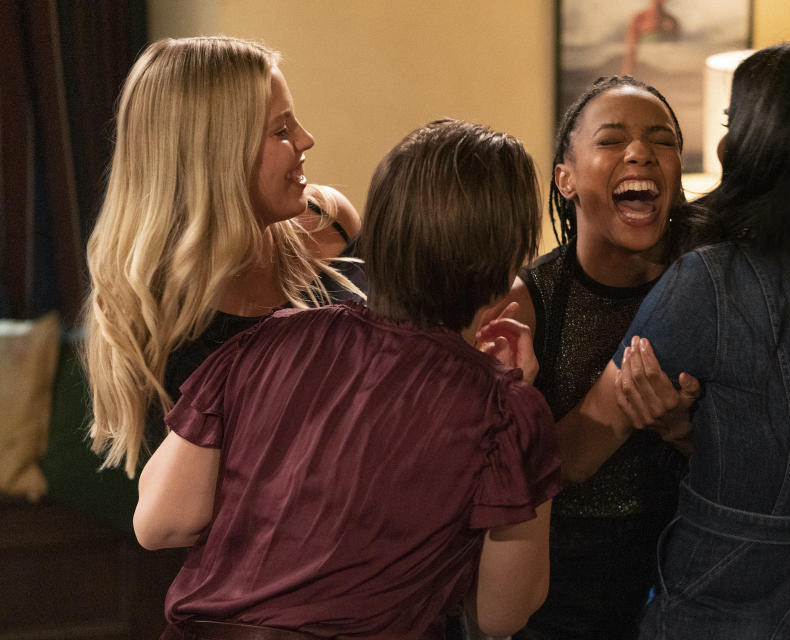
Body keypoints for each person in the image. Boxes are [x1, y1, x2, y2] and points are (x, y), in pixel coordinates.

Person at [133, 119, 563, 639]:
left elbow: (158, 522)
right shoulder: (506, 412)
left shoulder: (266, 341)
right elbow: (501, 615)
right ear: (505, 262)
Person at [576, 40, 790, 638]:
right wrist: (684, 431)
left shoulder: (713, 282)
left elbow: (576, 451)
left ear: (763, 141)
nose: (722, 142)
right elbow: (775, 473)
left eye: (730, 123)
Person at [83, 36, 362, 479]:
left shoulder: (328, 223)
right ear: (217, 156)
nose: (307, 139)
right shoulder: (156, 321)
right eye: (281, 130)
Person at [495, 76, 697, 640]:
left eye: (662, 140)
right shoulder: (527, 299)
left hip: (684, 574)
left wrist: (680, 430)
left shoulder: (705, 289)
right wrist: (607, 421)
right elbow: (502, 476)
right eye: (612, 140)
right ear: (566, 179)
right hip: (561, 586)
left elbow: (758, 459)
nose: (641, 152)